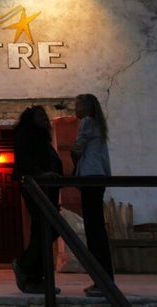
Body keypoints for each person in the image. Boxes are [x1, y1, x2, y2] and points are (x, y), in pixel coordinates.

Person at [11, 105, 63, 294]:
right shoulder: (26, 135)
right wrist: (42, 174)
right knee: (48, 228)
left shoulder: (43, 139)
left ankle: (36, 278)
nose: (44, 117)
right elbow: (25, 162)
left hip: (48, 190)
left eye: (44, 114)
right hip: (37, 188)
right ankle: (25, 266)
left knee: (43, 231)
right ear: (29, 119)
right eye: (39, 115)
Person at [70, 93, 114, 298]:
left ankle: (102, 281)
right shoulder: (98, 124)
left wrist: (73, 156)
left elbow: (78, 148)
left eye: (77, 106)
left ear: (86, 108)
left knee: (93, 231)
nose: (75, 110)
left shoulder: (87, 122)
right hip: (100, 177)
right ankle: (105, 279)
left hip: (90, 177)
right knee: (98, 230)